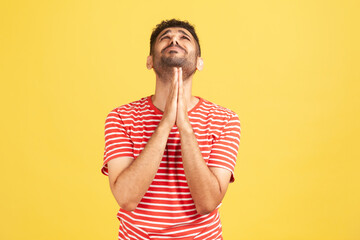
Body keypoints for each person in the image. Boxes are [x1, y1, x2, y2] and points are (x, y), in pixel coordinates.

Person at [101, 19, 241, 240]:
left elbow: (207, 203)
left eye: (184, 38)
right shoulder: (121, 117)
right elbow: (126, 198)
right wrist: (165, 123)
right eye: (165, 37)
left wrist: (184, 126)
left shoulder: (225, 120)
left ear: (199, 63)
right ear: (150, 61)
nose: (174, 39)